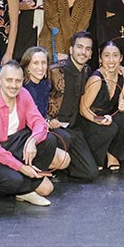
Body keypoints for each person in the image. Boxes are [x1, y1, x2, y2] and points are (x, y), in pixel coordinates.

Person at [0, 61, 71, 207]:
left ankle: (25, 190)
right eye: (9, 80)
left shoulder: (23, 94)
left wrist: (32, 141)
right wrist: (22, 167)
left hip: (13, 143)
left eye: (18, 81)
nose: (14, 85)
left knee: (48, 140)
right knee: (16, 181)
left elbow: (39, 122)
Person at [44, 31, 100, 182]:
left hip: (73, 128)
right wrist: (48, 120)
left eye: (88, 49)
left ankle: (64, 165)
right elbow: (37, 99)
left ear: (91, 53)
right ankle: (49, 167)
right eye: (79, 47)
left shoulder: (87, 71)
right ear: (71, 50)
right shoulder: (54, 71)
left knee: (91, 173)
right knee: (65, 138)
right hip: (52, 126)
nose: (83, 52)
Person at [78, 40, 124, 171]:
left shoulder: (122, 75)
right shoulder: (96, 79)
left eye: (115, 55)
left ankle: (112, 154)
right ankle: (97, 157)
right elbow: (82, 109)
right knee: (110, 128)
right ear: (100, 58)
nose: (111, 60)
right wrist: (98, 121)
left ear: (121, 58)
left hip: (107, 117)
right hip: (89, 120)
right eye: (106, 55)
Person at [21, 46, 52, 117]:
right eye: (36, 63)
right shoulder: (22, 88)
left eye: (43, 63)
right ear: (27, 66)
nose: (40, 67)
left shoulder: (46, 85)